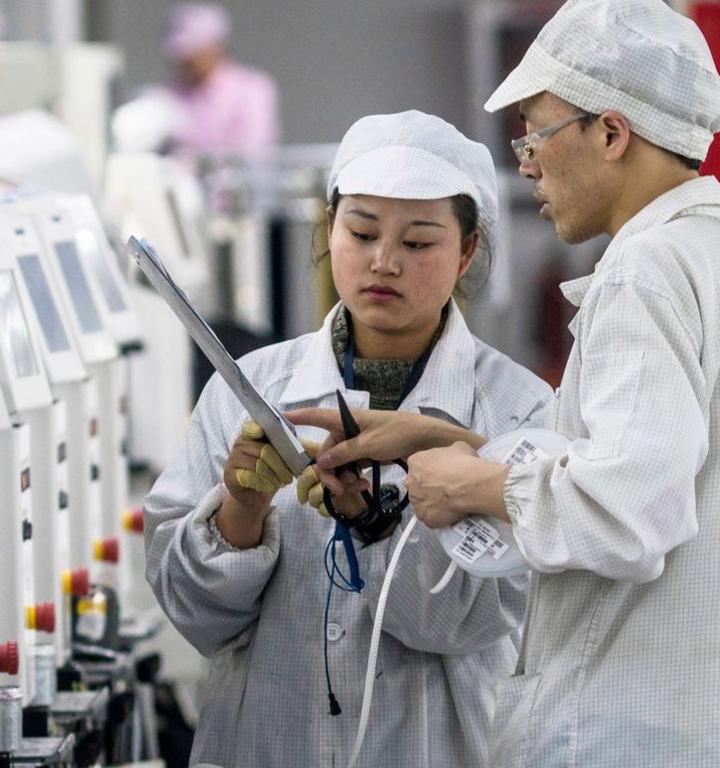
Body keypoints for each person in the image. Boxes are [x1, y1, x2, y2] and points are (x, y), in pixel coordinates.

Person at [289, 2, 720, 766]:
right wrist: (451, 442)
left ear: (611, 133)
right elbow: (649, 464)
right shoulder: (702, 253)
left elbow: (632, 511)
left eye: (536, 132)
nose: (524, 162)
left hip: (625, 729)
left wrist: (472, 491)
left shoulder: (644, 274)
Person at [143, 110, 553, 767]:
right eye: (360, 232)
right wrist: (240, 511)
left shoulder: (518, 413)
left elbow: (465, 623)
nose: (383, 262)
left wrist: (372, 522)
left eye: (418, 243)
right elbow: (197, 618)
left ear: (467, 250)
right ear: (328, 229)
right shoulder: (250, 386)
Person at [113, 3, 279, 157]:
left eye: (193, 52)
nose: (183, 61)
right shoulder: (168, 96)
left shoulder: (251, 90)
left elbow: (253, 155)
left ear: (216, 46)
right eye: (179, 54)